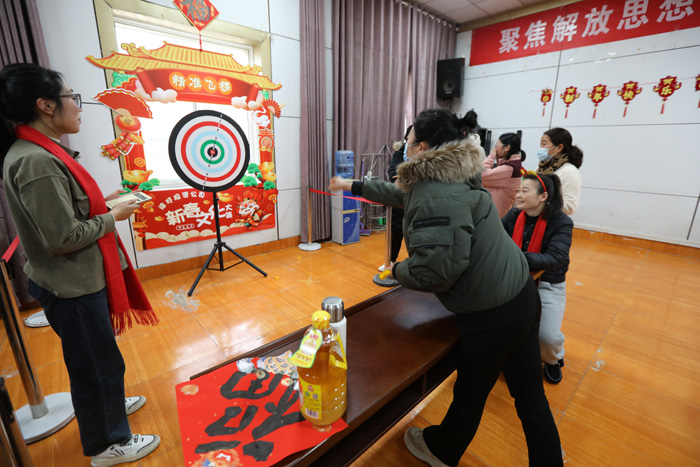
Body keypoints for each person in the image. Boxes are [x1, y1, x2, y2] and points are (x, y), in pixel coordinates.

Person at [330, 109, 563, 466]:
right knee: (530, 396)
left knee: (470, 393)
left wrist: (397, 270)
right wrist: (352, 186)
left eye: (407, 143)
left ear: (422, 148)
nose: (403, 148)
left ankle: (442, 450)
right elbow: (403, 193)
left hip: (493, 312)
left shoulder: (435, 195)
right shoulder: (455, 173)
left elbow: (437, 271)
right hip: (522, 294)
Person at [0, 63, 160, 467]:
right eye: (72, 97)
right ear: (45, 105)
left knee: (99, 356)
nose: (78, 105)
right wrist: (113, 216)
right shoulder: (35, 160)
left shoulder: (42, 150)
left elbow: (67, 213)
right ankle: (107, 443)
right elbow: (62, 237)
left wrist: (108, 203)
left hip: (77, 277)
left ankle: (110, 406)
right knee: (95, 363)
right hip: (71, 283)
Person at [501, 173, 573, 384]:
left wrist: (517, 257)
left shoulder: (562, 222)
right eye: (519, 190)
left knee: (547, 338)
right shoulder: (514, 214)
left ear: (543, 197)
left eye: (525, 191)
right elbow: (495, 238)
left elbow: (556, 258)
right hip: (515, 280)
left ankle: (552, 359)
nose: (518, 195)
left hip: (548, 284)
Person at [378, 125, 411, 272]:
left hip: (416, 202)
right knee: (395, 232)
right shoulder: (400, 152)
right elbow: (393, 173)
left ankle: (415, 264)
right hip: (399, 201)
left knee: (414, 235)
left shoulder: (426, 153)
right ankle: (390, 261)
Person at [537, 127, 583, 215]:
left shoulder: (570, 172)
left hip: (551, 220)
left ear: (559, 147)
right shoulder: (542, 167)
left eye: (544, 144)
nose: (540, 148)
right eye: (540, 144)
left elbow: (570, 207)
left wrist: (539, 202)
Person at [481, 132, 526, 217]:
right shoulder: (510, 164)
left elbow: (480, 175)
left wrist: (491, 156)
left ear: (507, 148)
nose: (494, 148)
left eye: (496, 145)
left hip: (497, 217)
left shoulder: (509, 168)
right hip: (495, 214)